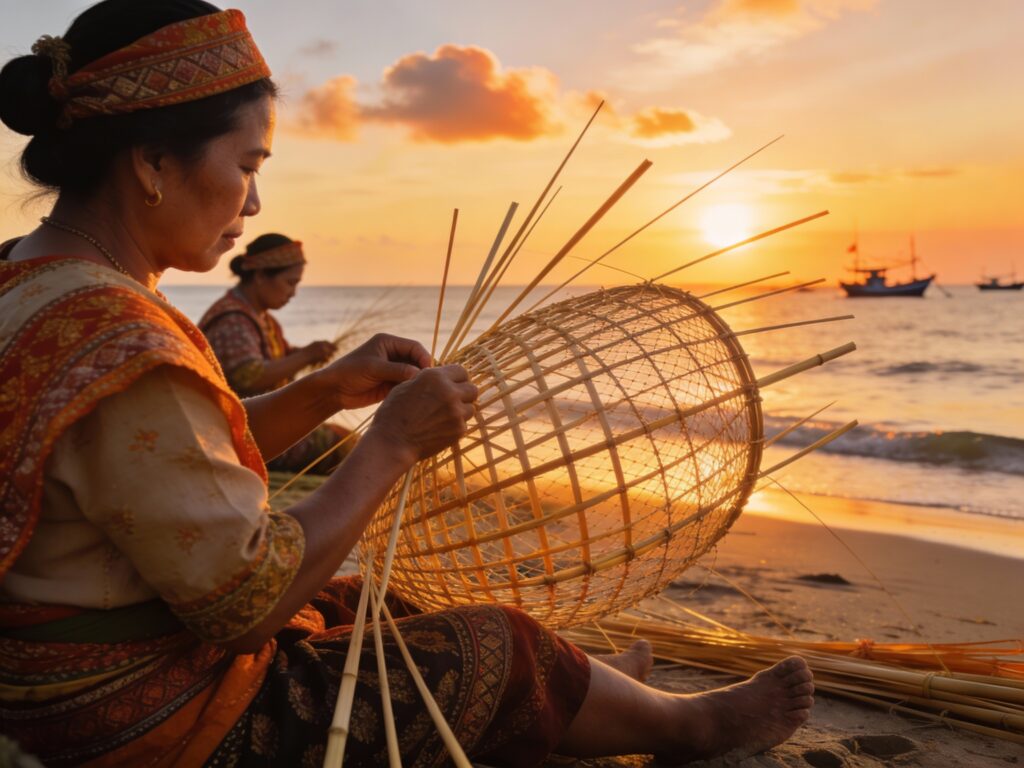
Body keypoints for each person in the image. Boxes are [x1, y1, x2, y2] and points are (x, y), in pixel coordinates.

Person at [0, 2, 814, 766]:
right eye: (247, 165)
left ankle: (601, 686)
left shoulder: (31, 283)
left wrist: (322, 391)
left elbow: (154, 459)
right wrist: (391, 443)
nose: (254, 199)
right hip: (146, 715)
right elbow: (247, 606)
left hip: (47, 676)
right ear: (150, 161)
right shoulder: (120, 331)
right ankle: (685, 725)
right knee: (498, 648)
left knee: (368, 602)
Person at [200, 233, 350, 473]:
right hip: (244, 434)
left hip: (265, 424)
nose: (293, 293)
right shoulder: (233, 320)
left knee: (344, 438)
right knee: (343, 447)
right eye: (290, 283)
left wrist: (308, 353)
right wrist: (307, 355)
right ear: (260, 276)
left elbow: (276, 360)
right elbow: (248, 377)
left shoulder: (261, 318)